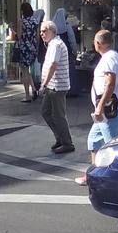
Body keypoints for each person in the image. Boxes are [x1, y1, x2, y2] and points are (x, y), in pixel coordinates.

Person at [77, 29, 118, 186]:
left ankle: (116, 180)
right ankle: (95, 174)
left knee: (111, 146)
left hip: (108, 110)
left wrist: (99, 107)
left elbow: (111, 83)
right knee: (94, 140)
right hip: (113, 108)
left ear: (97, 43)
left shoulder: (108, 59)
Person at [39, 18, 74, 155]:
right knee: (46, 112)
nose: (42, 34)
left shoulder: (56, 45)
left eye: (44, 31)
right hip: (53, 86)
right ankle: (60, 137)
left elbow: (53, 65)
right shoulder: (53, 43)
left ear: (52, 31)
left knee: (58, 115)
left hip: (57, 86)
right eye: (41, 32)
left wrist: (44, 84)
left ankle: (67, 143)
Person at [12, 3, 44, 103]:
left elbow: (20, 35)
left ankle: (27, 95)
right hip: (33, 47)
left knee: (24, 71)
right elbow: (38, 37)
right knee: (28, 70)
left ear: (22, 11)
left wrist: (14, 31)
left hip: (24, 48)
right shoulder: (35, 21)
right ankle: (34, 89)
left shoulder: (21, 21)